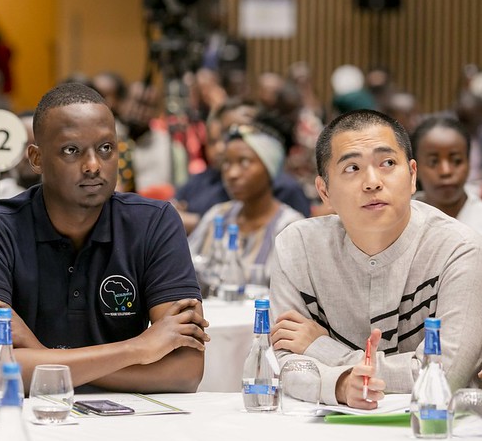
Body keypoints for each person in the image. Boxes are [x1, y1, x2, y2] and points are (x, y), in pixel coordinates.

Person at [0, 83, 209, 393]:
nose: (93, 166)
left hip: (132, 419)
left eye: (106, 148)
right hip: (20, 416)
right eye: (71, 150)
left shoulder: (155, 223)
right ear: (36, 158)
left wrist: (40, 355)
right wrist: (138, 349)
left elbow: (185, 371)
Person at [270, 109, 482, 410]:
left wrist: (323, 351)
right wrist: (341, 386)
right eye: (352, 168)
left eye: (387, 163)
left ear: (412, 176)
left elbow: (445, 375)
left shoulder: (458, 249)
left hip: (433, 427)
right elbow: (282, 362)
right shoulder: (297, 248)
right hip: (326, 430)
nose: (372, 182)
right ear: (324, 191)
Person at [188, 123, 303, 271]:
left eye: (245, 162)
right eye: (226, 163)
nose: (232, 174)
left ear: (270, 168)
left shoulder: (289, 228)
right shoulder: (217, 217)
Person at [411, 115, 482, 233]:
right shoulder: (399, 219)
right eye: (433, 162)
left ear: (469, 163)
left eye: (456, 161)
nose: (445, 171)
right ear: (414, 169)